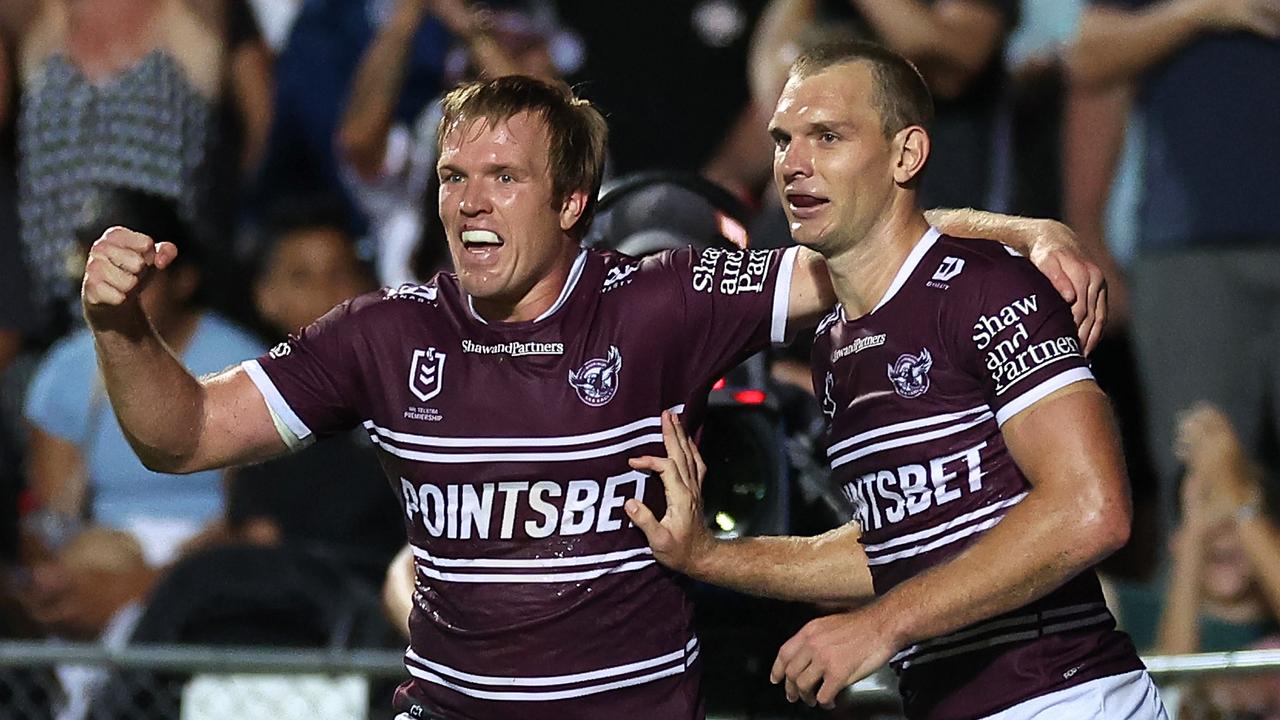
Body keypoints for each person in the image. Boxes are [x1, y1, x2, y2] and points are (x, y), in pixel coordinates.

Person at [81, 75, 1102, 719]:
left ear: (573, 203)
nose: (467, 201)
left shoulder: (662, 301)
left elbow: (865, 247)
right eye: (449, 178)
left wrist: (1014, 234)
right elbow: (185, 436)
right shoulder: (383, 334)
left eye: (500, 177)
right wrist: (121, 329)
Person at [624, 41, 1162, 718]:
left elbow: (1093, 510)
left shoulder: (987, 289)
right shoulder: (834, 342)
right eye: (783, 140)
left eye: (827, 136)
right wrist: (707, 555)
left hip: (1066, 698)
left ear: (907, 155)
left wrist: (882, 624)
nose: (794, 164)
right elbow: (896, 548)